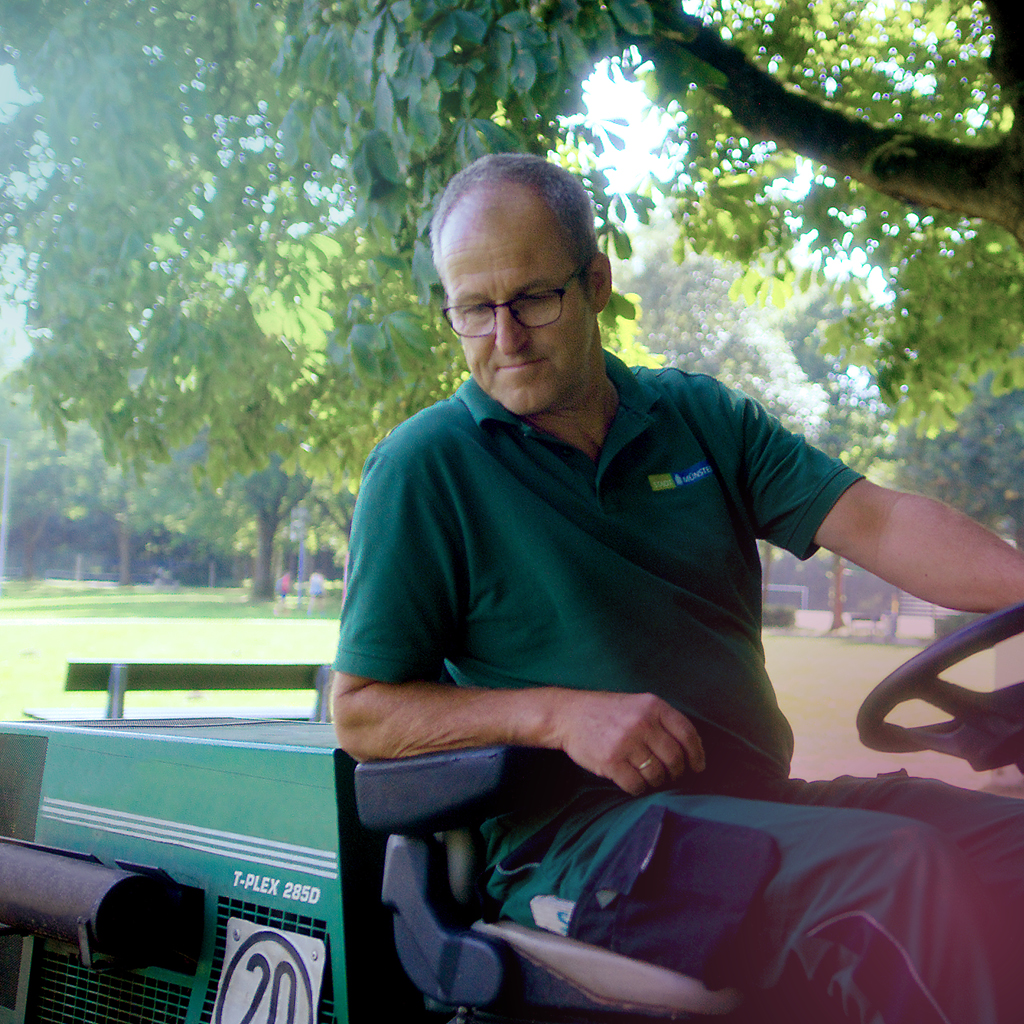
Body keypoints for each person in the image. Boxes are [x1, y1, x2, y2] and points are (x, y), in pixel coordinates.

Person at [331, 153, 1024, 1023]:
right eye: (474, 309)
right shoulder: (425, 468)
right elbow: (359, 712)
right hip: (581, 845)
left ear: (597, 282)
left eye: (533, 299)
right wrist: (557, 715)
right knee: (894, 872)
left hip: (753, 804)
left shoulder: (700, 418)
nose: (505, 339)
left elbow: (877, 522)